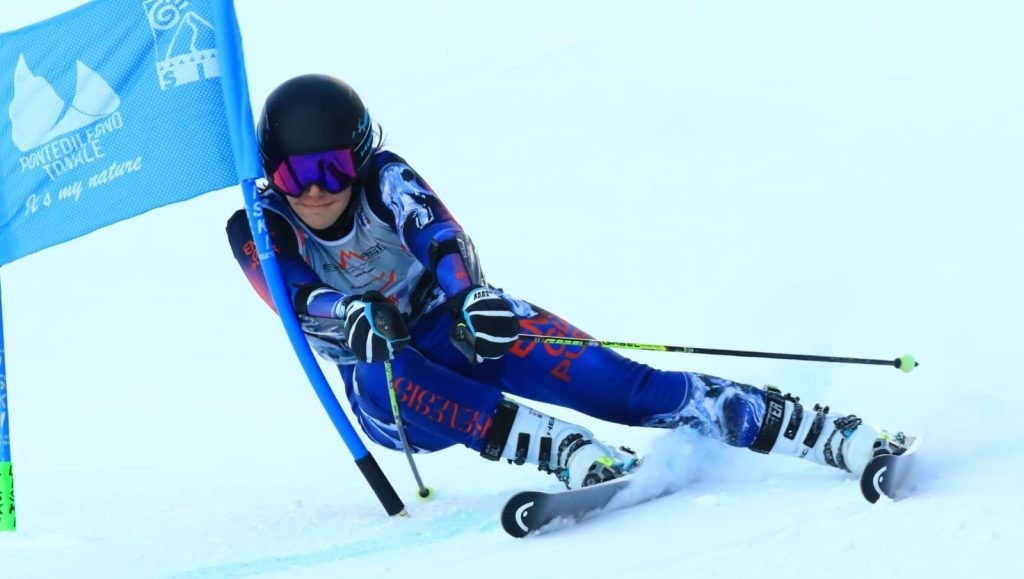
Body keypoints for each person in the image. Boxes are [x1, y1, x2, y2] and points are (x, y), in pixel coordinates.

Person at [226, 74, 909, 491]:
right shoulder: (258, 224)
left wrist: (470, 297)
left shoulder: (386, 179)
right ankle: (562, 447)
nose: (314, 191)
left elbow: (439, 235)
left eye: (332, 169)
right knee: (384, 371)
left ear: (361, 156)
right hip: (395, 392)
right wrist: (347, 312)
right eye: (293, 174)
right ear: (270, 173)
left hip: (456, 326)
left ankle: (819, 431)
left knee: (623, 386)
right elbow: (289, 292)